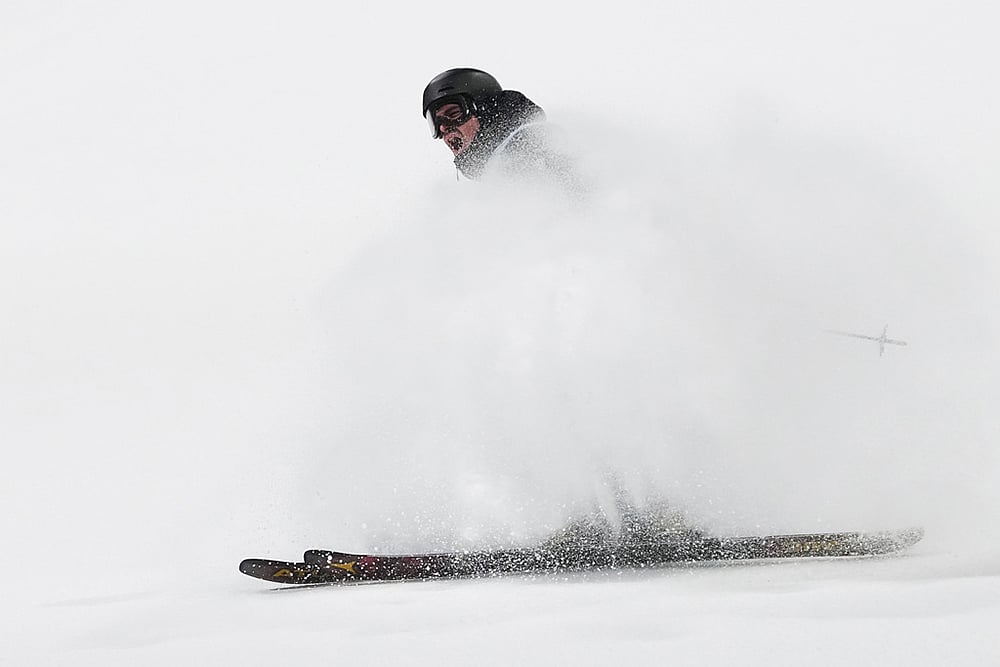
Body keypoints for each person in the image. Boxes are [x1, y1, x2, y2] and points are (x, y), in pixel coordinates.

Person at [422, 67, 578, 190]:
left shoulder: (529, 148)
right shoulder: (498, 169)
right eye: (435, 124)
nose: (443, 128)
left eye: (454, 114)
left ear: (485, 111)